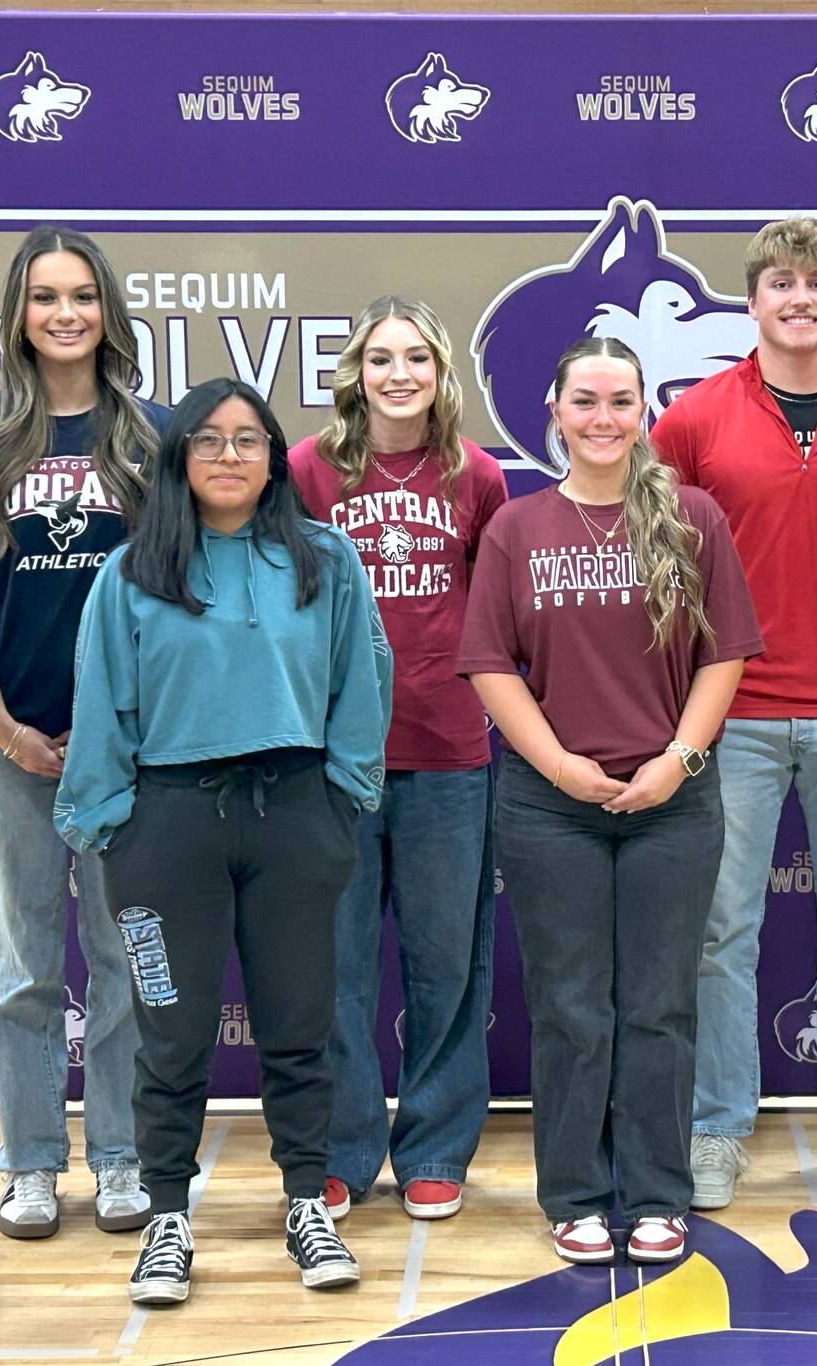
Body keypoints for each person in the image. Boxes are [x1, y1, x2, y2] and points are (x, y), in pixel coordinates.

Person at [55, 377, 392, 1301]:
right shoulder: (132, 573)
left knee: (299, 1026)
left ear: (274, 455)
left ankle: (305, 1203)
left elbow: (361, 683)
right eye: (208, 440)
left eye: (249, 440)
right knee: (171, 1035)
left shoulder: (325, 560)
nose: (229, 457)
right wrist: (108, 825)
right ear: (179, 458)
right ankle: (167, 1217)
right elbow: (100, 706)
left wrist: (343, 797)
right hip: (167, 828)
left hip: (293, 816)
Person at [460, 338, 761, 1266]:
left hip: (671, 799)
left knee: (662, 1004)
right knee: (571, 1005)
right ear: (554, 410)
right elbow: (487, 664)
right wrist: (556, 765)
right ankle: (579, 1194)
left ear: (644, 413)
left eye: (621, 401)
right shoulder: (518, 526)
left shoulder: (693, 518)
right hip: (551, 805)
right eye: (584, 400)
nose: (602, 419)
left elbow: (726, 656)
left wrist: (677, 757)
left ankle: (658, 1191)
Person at [651, 218, 817, 1211]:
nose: (800, 298)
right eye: (780, 283)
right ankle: (715, 1126)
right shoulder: (694, 419)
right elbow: (657, 568)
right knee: (720, 931)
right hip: (733, 712)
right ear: (752, 301)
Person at [0, 226, 169, 1241]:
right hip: (12, 742)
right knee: (24, 962)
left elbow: (174, 603)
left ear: (106, 311)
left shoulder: (151, 437)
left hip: (126, 748)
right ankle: (30, 1159)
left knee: (124, 958)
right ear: (19, 314)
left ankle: (119, 1155)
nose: (65, 313)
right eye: (45, 297)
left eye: (81, 295)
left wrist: (117, 727)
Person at [288, 296, 507, 1224]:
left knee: (446, 965)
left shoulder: (479, 477)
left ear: (440, 372)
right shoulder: (307, 470)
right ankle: (341, 1151)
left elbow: (495, 619)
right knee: (333, 964)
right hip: (337, 759)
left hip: (449, 753)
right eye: (381, 359)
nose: (399, 375)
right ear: (355, 373)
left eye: (417, 358)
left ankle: (435, 1148)